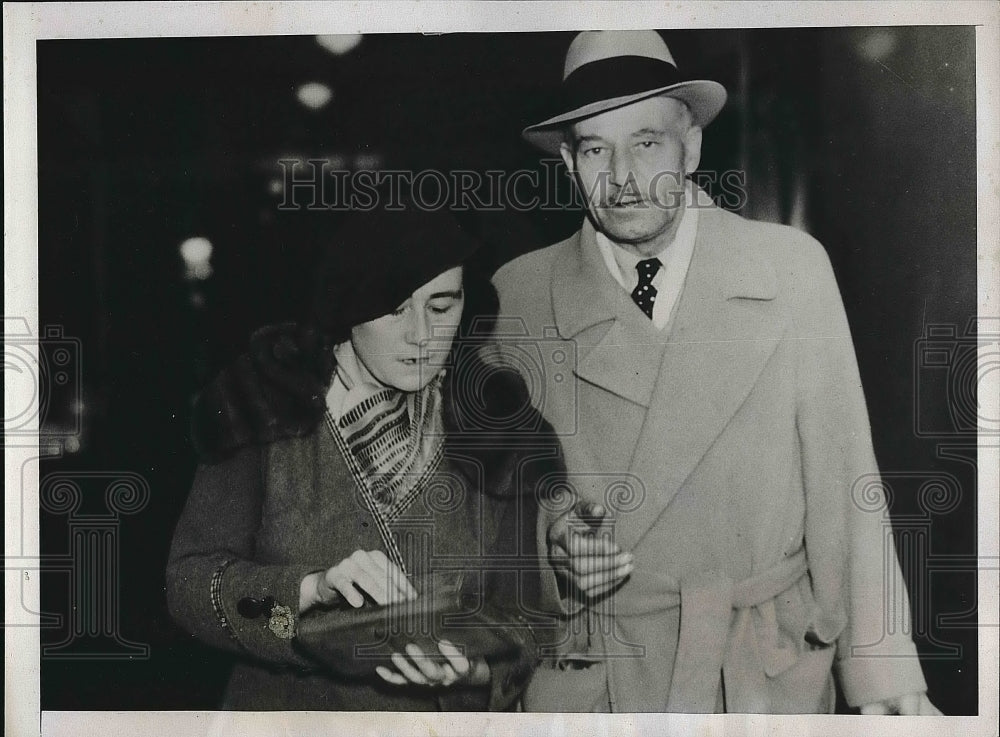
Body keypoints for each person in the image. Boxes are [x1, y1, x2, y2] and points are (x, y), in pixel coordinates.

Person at [488, 29, 941, 714]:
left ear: (691, 148)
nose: (622, 176)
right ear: (569, 163)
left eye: (647, 143)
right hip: (599, 680)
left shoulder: (791, 269)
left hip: (759, 676)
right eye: (595, 149)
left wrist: (886, 671)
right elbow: (491, 514)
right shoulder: (518, 295)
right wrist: (556, 554)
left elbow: (847, 483)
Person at [166, 204, 560, 711]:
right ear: (348, 306)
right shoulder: (265, 411)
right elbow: (191, 586)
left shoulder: (497, 431)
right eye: (395, 309)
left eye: (441, 307)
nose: (421, 334)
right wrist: (308, 591)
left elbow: (527, 622)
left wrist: (473, 672)